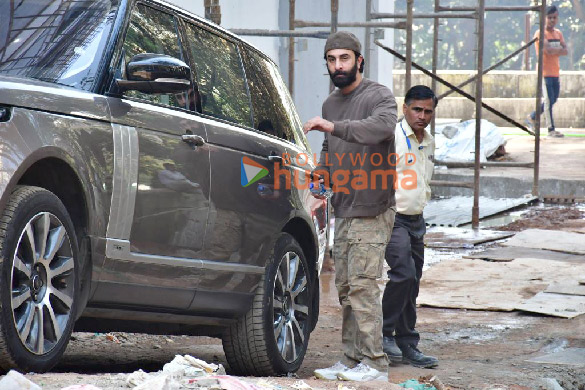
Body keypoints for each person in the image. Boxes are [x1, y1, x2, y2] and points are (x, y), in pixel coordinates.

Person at [304, 31, 397, 382]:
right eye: (331, 59)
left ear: (359, 60)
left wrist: (334, 126)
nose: (337, 66)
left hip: (373, 208)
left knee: (363, 286)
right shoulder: (331, 103)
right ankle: (352, 358)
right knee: (345, 288)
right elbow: (330, 148)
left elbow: (381, 129)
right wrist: (320, 173)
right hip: (343, 207)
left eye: (344, 58)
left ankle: (375, 365)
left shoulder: (378, 96)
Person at [381, 85, 439, 369]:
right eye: (417, 109)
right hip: (393, 217)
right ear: (404, 109)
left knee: (412, 281)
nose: (422, 116)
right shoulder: (392, 138)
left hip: (417, 220)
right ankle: (384, 333)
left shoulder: (428, 140)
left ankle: (407, 344)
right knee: (402, 274)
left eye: (428, 111)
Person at [526, 4, 568, 138]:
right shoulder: (540, 33)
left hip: (555, 72)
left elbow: (565, 51)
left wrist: (554, 50)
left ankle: (532, 116)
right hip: (544, 73)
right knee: (549, 100)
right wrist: (558, 50)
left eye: (554, 18)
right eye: (549, 17)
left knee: (554, 98)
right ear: (544, 18)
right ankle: (551, 129)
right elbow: (547, 50)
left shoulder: (558, 33)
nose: (552, 20)